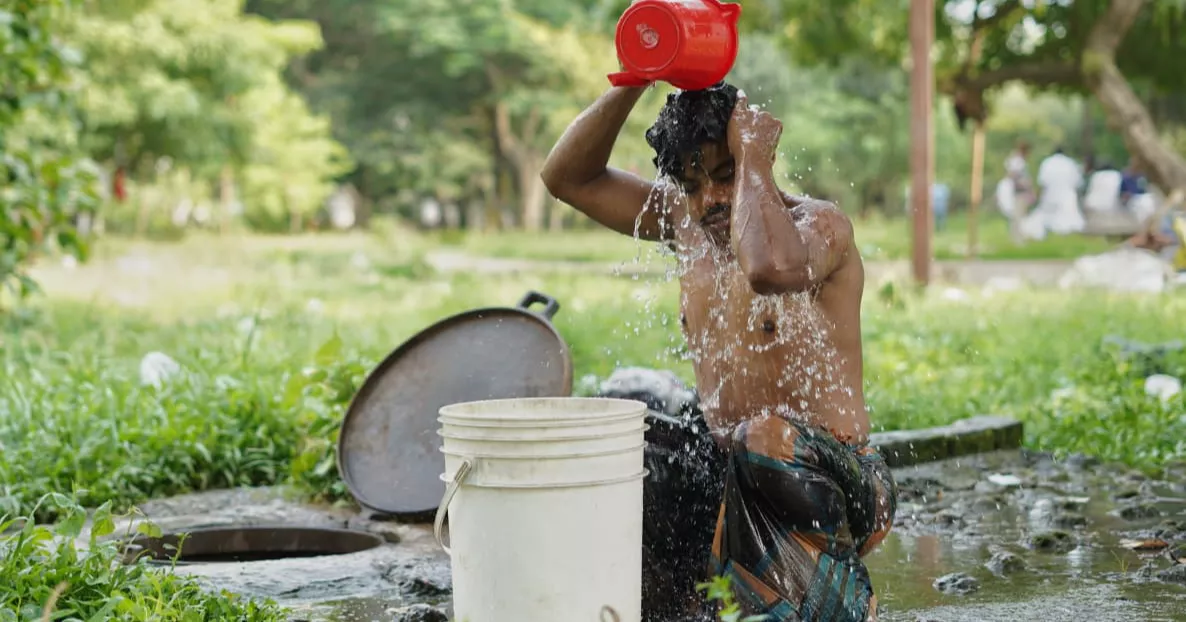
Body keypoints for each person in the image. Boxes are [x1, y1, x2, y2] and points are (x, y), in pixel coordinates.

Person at [541, 83, 897, 622]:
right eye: (691, 184)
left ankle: (843, 605)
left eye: (724, 176)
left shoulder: (818, 229)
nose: (709, 198)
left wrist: (751, 155)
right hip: (728, 471)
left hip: (834, 480)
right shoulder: (685, 223)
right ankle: (676, 607)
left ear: (761, 164)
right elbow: (567, 178)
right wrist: (632, 80)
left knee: (763, 437)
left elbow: (769, 269)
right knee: (630, 412)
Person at [1032, 146, 1085, 237]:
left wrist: (1038, 196)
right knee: (1068, 218)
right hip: (1067, 196)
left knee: (1047, 216)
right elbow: (1078, 183)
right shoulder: (1070, 163)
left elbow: (1042, 183)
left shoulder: (1047, 163)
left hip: (1050, 194)